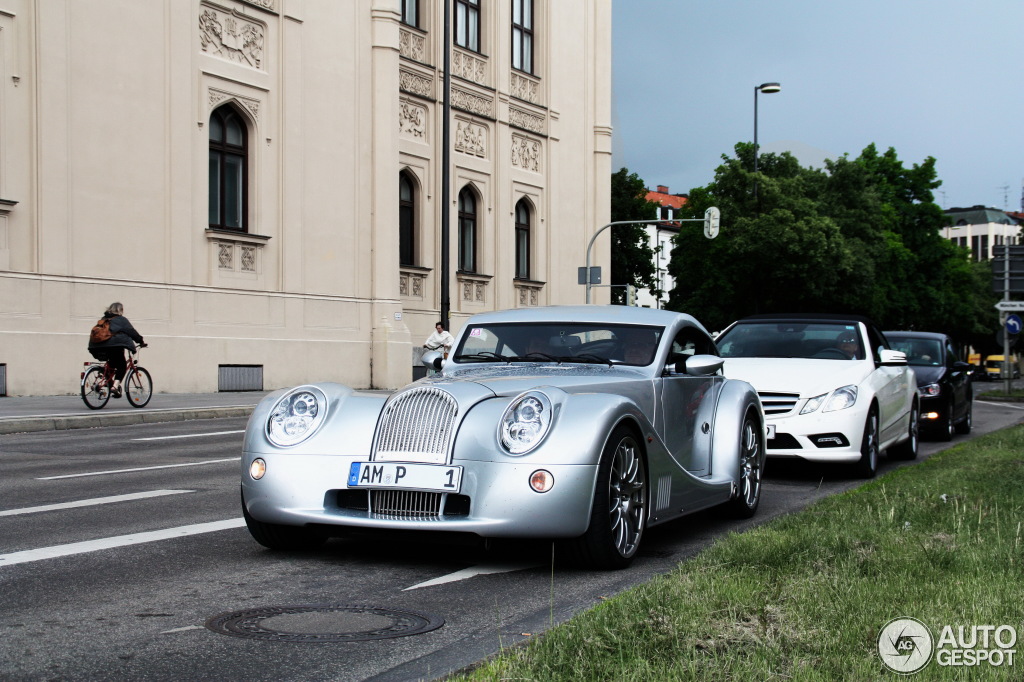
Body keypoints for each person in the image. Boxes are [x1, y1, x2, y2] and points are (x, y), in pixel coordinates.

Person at [88, 302, 145, 398]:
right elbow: (131, 332)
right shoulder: (121, 320)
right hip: (114, 346)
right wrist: (140, 341)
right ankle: (115, 386)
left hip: (96, 347)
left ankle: (107, 379)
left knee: (113, 363)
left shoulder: (103, 319)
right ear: (120, 310)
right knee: (122, 365)